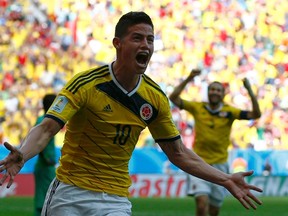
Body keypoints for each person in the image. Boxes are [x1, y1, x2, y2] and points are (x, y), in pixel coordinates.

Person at [0, 11, 262, 216]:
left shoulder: (155, 99)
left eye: (150, 39)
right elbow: (47, 128)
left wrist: (225, 178)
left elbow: (179, 154)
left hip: (115, 199)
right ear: (118, 43)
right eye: (137, 38)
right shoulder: (86, 84)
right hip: (70, 193)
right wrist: (23, 152)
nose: (146, 45)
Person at [169, 69, 262, 216]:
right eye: (212, 89)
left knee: (214, 210)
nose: (215, 92)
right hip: (199, 163)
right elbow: (173, 98)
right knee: (201, 203)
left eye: (219, 90)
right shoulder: (198, 107)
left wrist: (250, 90)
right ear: (208, 92)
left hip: (220, 164)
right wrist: (189, 77)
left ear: (223, 94)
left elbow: (256, 114)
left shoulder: (230, 111)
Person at [33, 94, 57, 216]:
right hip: (45, 166)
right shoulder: (44, 121)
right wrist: (47, 159)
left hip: (45, 165)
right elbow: (38, 143)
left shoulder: (46, 120)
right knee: (45, 199)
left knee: (46, 198)